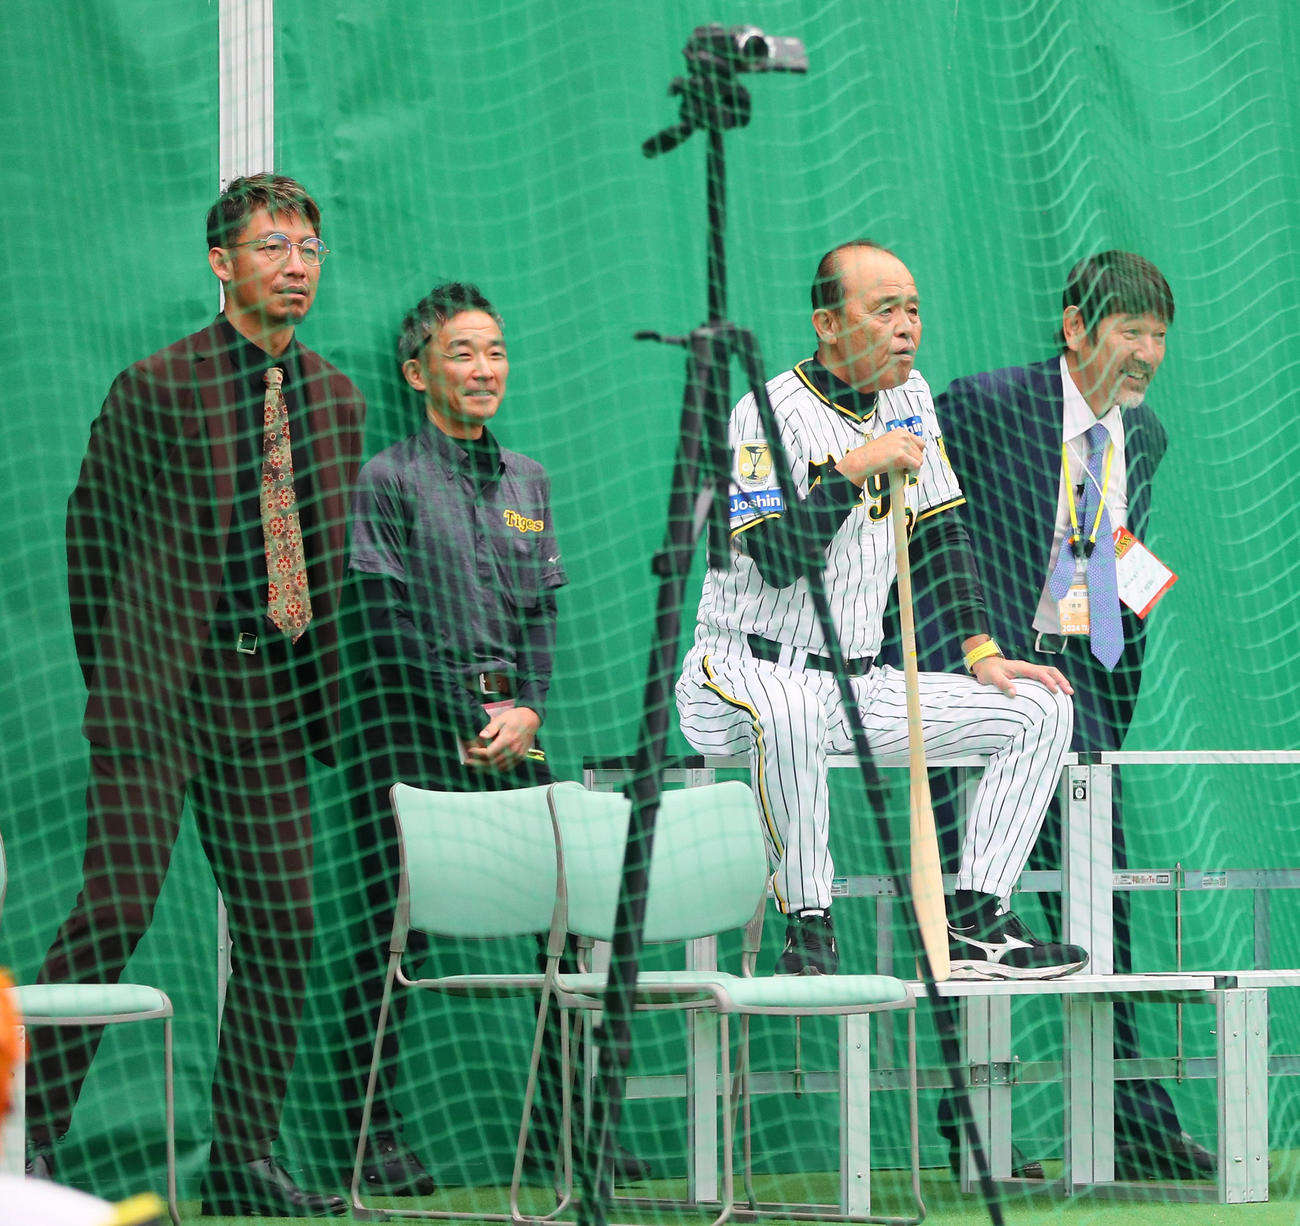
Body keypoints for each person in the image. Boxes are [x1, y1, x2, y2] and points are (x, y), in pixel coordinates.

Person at [30, 173, 363, 1217]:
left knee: (283, 922)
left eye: (306, 248)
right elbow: (92, 545)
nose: (294, 267)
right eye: (271, 247)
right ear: (221, 263)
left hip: (270, 698)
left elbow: (327, 560)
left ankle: (244, 1155)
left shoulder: (339, 399)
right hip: (159, 696)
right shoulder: (156, 385)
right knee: (114, 910)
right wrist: (128, 672)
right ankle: (22, 1142)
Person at [674, 239, 1087, 981]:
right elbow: (777, 557)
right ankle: (809, 926)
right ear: (827, 324)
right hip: (740, 672)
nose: (907, 325)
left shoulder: (910, 397)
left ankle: (976, 920)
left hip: (859, 685)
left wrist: (980, 648)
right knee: (793, 712)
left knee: (1038, 706)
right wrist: (853, 468)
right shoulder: (761, 412)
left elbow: (942, 528)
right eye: (885, 308)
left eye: (914, 309)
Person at [339, 282, 647, 1190]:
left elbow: (544, 616)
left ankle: (573, 1130)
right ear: (417, 371)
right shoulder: (386, 478)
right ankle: (378, 1140)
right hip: (409, 730)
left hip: (517, 728)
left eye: (496, 352)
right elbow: (382, 618)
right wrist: (464, 716)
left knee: (564, 925)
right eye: (463, 352)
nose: (484, 369)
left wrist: (529, 711)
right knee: (388, 935)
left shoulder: (529, 481)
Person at [924, 251, 1214, 1179]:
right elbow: (930, 536)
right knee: (977, 914)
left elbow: (1115, 567)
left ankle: (1132, 1122)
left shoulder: (1147, 435)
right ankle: (972, 1123)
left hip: (1077, 703)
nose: (1148, 352)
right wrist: (960, 667)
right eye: (1131, 330)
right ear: (1075, 328)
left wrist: (1101, 700)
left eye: (1159, 334)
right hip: (980, 695)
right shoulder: (984, 403)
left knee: (1108, 916)